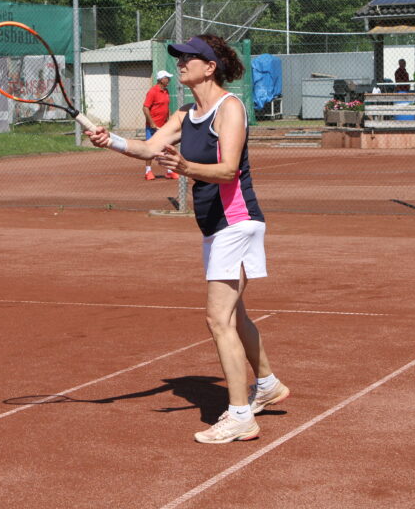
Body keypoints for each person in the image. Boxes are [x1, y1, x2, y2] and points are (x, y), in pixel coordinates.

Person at [86, 34, 289, 444]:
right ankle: (267, 384)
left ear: (209, 67)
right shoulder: (185, 113)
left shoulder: (229, 108)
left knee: (218, 319)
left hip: (236, 221)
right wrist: (112, 141)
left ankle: (240, 416)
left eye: (188, 58)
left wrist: (185, 166)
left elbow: (229, 170)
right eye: (178, 58)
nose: (179, 64)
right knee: (235, 315)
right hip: (214, 224)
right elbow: (149, 148)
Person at [143, 70, 179, 180]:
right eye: (167, 78)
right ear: (161, 79)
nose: (169, 80)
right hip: (152, 127)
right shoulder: (152, 92)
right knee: (150, 149)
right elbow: (145, 108)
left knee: (168, 147)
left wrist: (170, 120)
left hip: (164, 126)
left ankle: (169, 171)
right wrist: (152, 123)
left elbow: (166, 107)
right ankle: (148, 171)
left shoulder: (166, 91)